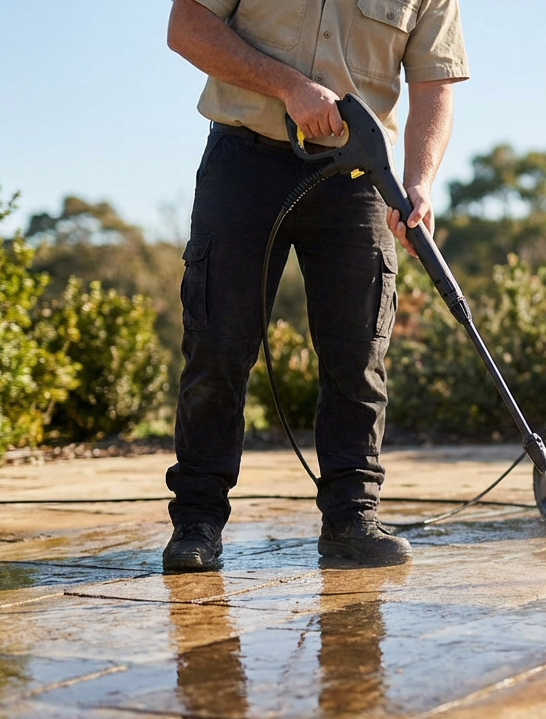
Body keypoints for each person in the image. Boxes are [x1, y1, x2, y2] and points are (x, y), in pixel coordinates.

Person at [162, 0, 469, 571]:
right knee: (218, 344)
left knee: (358, 353)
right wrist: (290, 88)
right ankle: (197, 522)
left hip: (359, 176)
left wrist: (420, 182)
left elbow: (434, 82)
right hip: (243, 161)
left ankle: (352, 518)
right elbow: (187, 28)